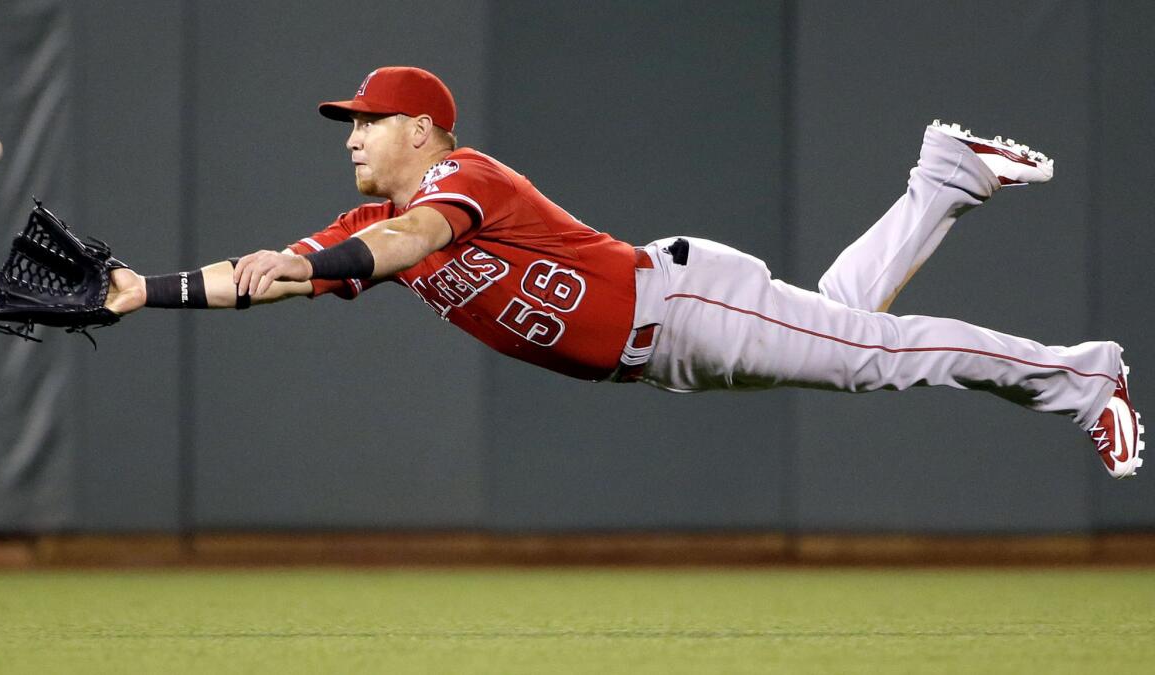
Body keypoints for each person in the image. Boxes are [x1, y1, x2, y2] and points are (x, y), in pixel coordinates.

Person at [104, 66, 1143, 479]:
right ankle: (946, 177)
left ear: (419, 127)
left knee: (876, 357)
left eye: (365, 123)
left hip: (681, 301)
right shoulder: (362, 218)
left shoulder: (462, 178)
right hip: (666, 353)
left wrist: (322, 259)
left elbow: (405, 248)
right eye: (350, 125)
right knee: (842, 324)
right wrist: (144, 290)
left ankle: (1082, 375)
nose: (351, 138)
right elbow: (279, 274)